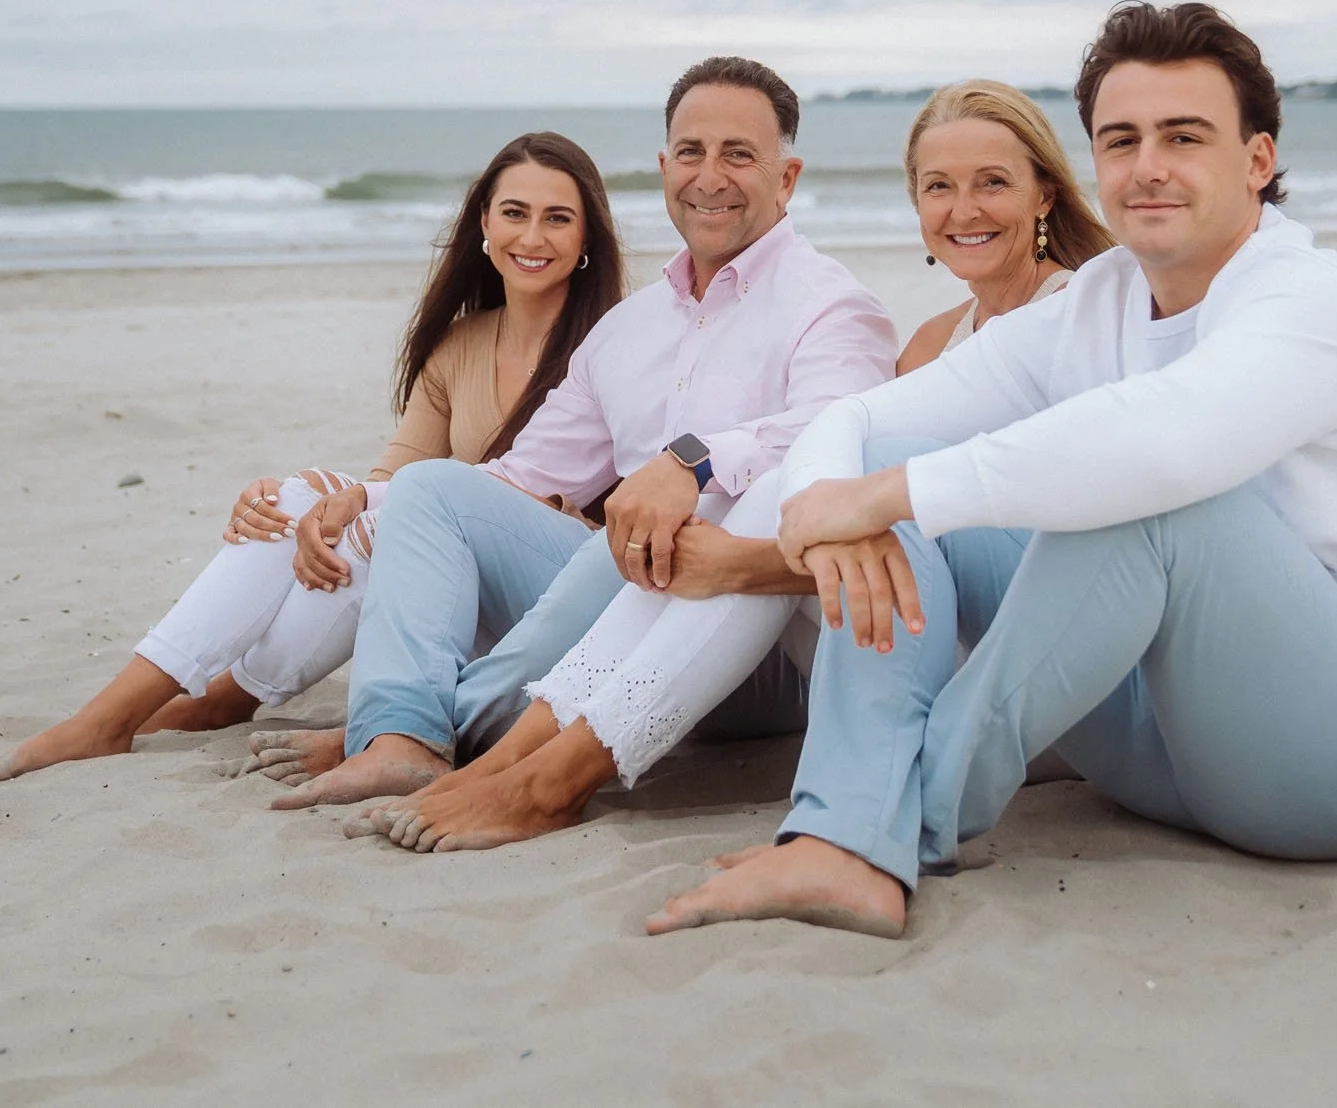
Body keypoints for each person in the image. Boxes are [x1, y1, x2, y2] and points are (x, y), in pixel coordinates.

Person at [647, 2, 1337, 937]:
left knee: (1158, 503)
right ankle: (844, 834)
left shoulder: (1310, 299)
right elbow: (860, 416)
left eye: (1185, 136)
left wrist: (886, 493)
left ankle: (895, 824)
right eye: (1122, 138)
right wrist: (826, 497)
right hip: (1165, 749)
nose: (1148, 166)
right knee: (891, 467)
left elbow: (1165, 442)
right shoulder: (1102, 300)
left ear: (1257, 160)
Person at [355, 81, 1114, 853]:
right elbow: (521, 478)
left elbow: (976, 537)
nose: (964, 209)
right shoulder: (928, 345)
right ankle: (499, 755)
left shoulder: (1072, 317)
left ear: (1044, 190)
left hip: (1011, 656)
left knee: (747, 489)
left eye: (992, 183)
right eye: (938, 187)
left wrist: (729, 545)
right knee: (705, 504)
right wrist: (342, 507)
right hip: (887, 629)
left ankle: (540, 770)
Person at [245, 56, 900, 810]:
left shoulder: (832, 305)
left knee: (632, 546)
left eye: (739, 154)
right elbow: (521, 476)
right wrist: (363, 498)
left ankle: (426, 725)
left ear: (786, 178)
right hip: (630, 604)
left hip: (762, 632)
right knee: (436, 489)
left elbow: (836, 434)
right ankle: (402, 738)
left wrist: (692, 462)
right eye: (690, 152)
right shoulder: (628, 330)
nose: (709, 175)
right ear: (663, 166)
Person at [0, 132, 624, 782]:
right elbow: (393, 486)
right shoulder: (457, 344)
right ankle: (153, 707)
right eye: (515, 212)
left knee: (364, 512)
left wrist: (360, 510)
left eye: (557, 218)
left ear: (587, 234)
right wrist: (306, 510)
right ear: (484, 221)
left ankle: (211, 700)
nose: (532, 237)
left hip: (558, 602)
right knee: (302, 499)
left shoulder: (618, 345)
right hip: (445, 598)